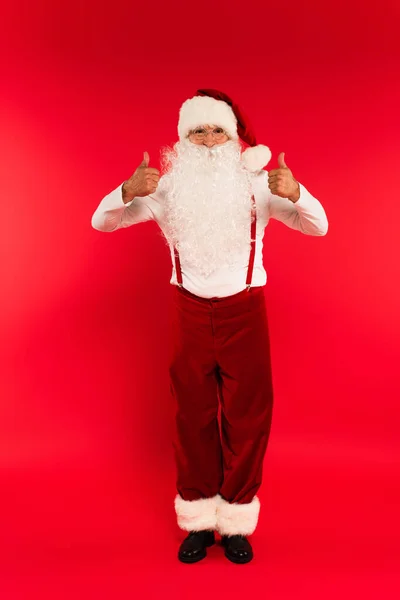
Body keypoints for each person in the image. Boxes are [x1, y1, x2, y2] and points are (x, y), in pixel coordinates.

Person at [91, 89, 329, 564]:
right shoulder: (164, 190)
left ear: (232, 136)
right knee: (192, 418)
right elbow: (102, 221)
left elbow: (318, 225)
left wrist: (297, 192)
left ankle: (236, 518)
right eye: (196, 130)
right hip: (189, 315)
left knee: (248, 419)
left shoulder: (260, 186)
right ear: (181, 139)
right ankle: (199, 520)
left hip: (245, 312)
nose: (206, 139)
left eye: (216, 129)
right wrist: (126, 190)